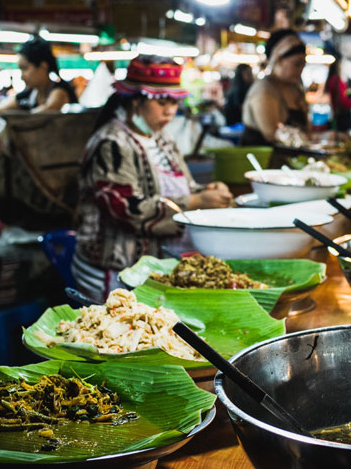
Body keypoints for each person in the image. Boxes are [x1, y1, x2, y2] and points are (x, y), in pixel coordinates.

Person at [72, 56, 233, 300]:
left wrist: (208, 190)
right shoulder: (111, 144)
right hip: (114, 271)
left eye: (174, 101)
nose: (170, 110)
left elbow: (185, 186)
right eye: (161, 101)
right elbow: (125, 210)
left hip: (154, 269)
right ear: (135, 101)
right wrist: (197, 201)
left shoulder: (162, 138)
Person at [240, 29, 309, 145]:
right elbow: (272, 135)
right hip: (263, 160)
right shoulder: (264, 90)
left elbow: (307, 132)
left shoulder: (296, 89)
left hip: (294, 160)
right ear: (279, 59)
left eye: (303, 64)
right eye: (297, 64)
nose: (300, 69)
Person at [0, 36, 77, 114]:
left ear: (43, 66)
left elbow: (49, 109)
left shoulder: (60, 90)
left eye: (25, 68)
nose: (22, 76)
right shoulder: (30, 93)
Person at [325, 55, 351, 133]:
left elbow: (345, 93)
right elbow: (342, 101)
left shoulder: (335, 80)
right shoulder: (336, 81)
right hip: (341, 118)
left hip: (339, 116)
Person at [223, 63, 254, 127]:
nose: (250, 75)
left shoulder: (240, 87)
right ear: (240, 74)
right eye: (248, 73)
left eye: (250, 73)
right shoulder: (238, 89)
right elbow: (243, 109)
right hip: (236, 124)